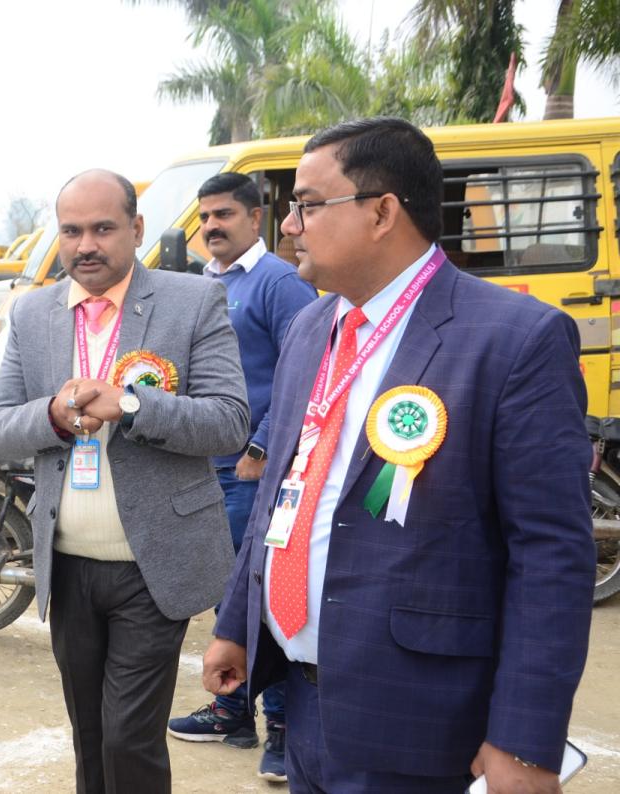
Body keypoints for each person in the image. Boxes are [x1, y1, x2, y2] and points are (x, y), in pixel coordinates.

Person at [203, 117, 595, 792]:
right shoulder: (312, 326)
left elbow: (551, 553)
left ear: (382, 212)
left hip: (421, 719)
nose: (289, 226)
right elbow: (280, 493)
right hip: (306, 705)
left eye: (307, 205)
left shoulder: (515, 339)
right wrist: (239, 623)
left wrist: (524, 741)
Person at [0, 169, 249, 794]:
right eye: (71, 231)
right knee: (90, 734)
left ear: (137, 228)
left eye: (103, 228)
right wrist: (53, 415)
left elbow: (229, 422)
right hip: (67, 564)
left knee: (128, 736)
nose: (86, 245)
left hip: (153, 562)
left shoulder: (193, 300)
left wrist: (131, 405)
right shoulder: (33, 313)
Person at [166, 173, 316, 782]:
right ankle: (233, 709)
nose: (211, 227)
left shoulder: (279, 284)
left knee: (259, 594)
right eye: (204, 217)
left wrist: (262, 445)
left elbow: (306, 371)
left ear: (257, 218)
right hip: (206, 468)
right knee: (227, 594)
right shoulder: (203, 284)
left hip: (252, 469)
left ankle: (282, 726)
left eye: (224, 214)